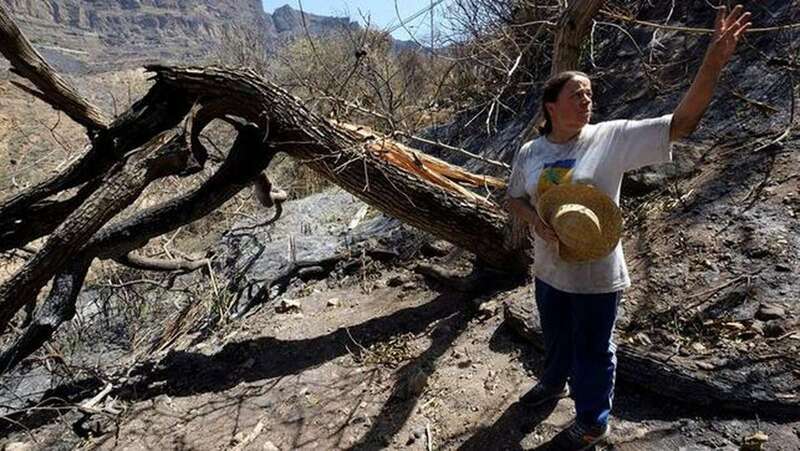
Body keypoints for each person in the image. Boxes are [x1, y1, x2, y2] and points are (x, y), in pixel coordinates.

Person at [505, 5, 751, 449]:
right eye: (577, 93)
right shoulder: (530, 152)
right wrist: (535, 222)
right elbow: (514, 198)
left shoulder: (610, 137)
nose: (587, 100)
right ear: (551, 104)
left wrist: (713, 61)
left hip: (598, 274)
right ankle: (552, 383)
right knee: (556, 338)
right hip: (548, 269)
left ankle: (594, 420)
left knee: (594, 350)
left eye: (589, 93)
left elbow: (681, 124)